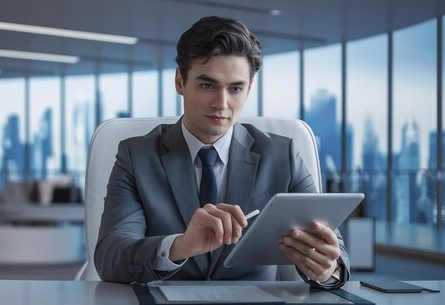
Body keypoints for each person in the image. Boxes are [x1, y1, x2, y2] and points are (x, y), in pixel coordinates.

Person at [94, 16, 349, 289]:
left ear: (249, 89)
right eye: (207, 85)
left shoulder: (282, 155)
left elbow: (336, 256)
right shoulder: (137, 155)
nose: (222, 103)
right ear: (180, 81)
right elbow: (110, 257)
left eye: (235, 88)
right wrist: (179, 247)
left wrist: (327, 269)